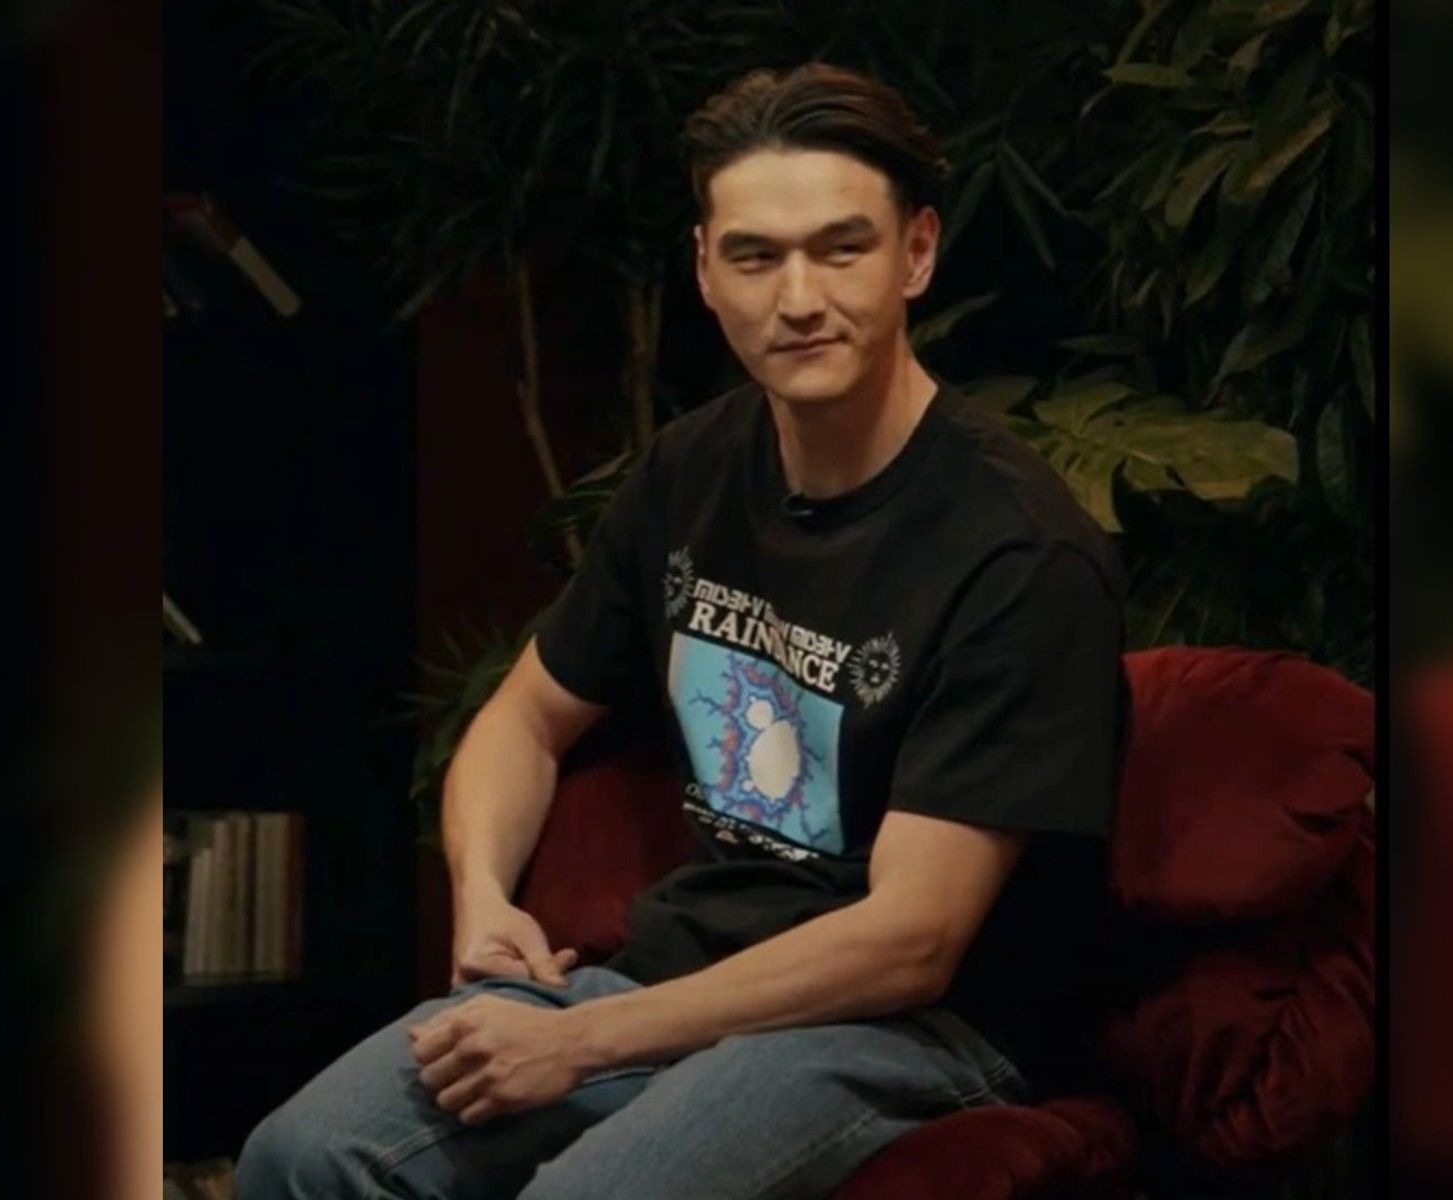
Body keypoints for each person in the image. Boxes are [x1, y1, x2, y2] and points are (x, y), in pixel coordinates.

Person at [235, 61, 1128, 1200]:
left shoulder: (1016, 552)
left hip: (915, 1023)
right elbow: (524, 718)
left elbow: (913, 938)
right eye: (755, 256)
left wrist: (580, 1040)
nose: (797, 298)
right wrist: (486, 904)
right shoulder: (694, 470)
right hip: (685, 975)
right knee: (301, 1157)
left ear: (915, 254)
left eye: (841, 249)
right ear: (706, 270)